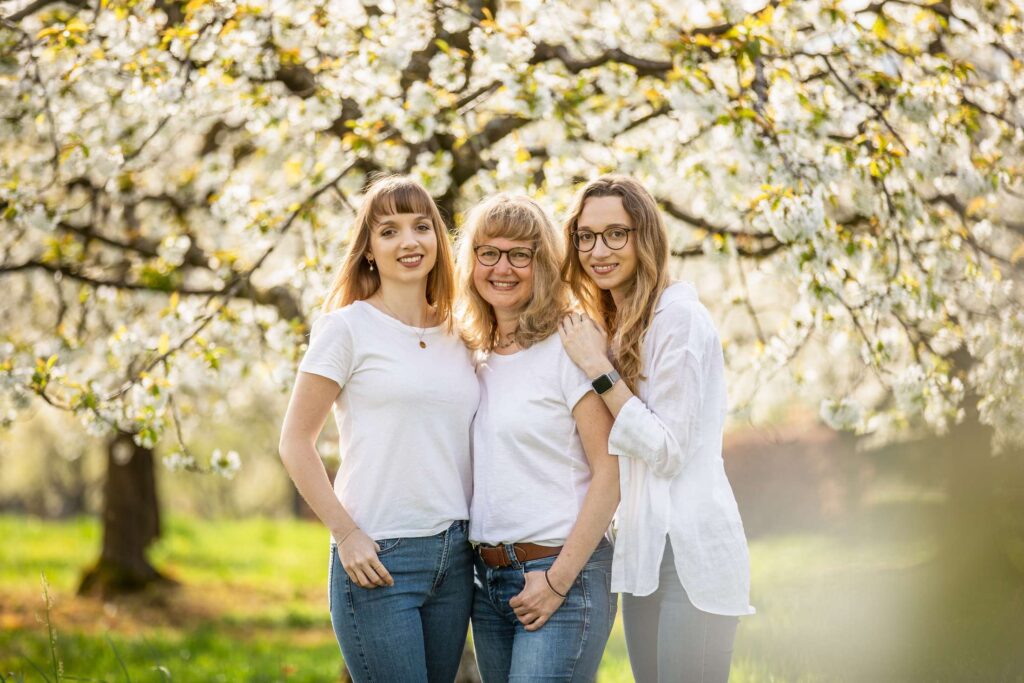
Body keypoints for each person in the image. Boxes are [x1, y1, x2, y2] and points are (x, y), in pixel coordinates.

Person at [278, 175, 479, 683]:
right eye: (389, 231)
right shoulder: (345, 329)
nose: (409, 242)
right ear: (368, 249)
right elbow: (295, 442)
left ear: (438, 237)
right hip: (378, 556)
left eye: (420, 226)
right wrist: (345, 534)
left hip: (454, 558)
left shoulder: (462, 334)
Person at [558, 175, 754, 683]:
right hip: (642, 554)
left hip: (690, 555)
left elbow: (668, 450)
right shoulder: (620, 321)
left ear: (645, 237)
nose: (598, 250)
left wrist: (597, 369)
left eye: (615, 234)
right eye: (586, 236)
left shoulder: (679, 320)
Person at [455, 194, 619, 682]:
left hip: (561, 572)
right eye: (488, 252)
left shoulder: (569, 346)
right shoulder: (470, 355)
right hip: (488, 583)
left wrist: (557, 580)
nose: (502, 267)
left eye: (519, 254)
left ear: (542, 264)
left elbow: (611, 472)